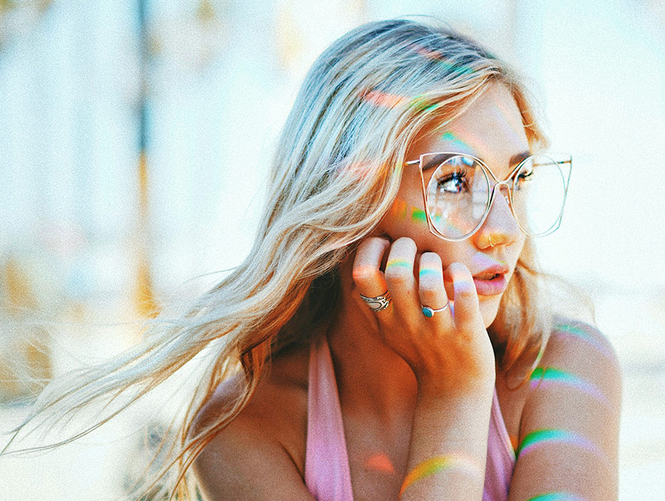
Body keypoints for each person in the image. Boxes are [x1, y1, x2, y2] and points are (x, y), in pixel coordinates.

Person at [7, 18, 621, 501]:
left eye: (515, 180)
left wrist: (460, 386)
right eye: (456, 182)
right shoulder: (242, 431)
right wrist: (454, 394)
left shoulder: (565, 372)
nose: (505, 231)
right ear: (353, 200)